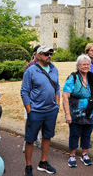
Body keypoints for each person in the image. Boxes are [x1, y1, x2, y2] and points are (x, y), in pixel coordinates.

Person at [21, 46, 60, 176]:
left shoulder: (54, 69)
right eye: (46, 54)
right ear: (38, 56)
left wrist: (57, 105)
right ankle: (28, 166)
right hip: (35, 112)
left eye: (51, 54)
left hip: (51, 111)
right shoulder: (31, 71)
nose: (49, 56)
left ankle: (43, 162)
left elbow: (57, 88)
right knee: (30, 139)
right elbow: (24, 91)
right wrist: (29, 110)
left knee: (47, 136)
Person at [62, 54, 93, 167]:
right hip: (76, 112)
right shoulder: (73, 77)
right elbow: (65, 96)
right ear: (78, 65)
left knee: (87, 133)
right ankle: (72, 155)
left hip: (91, 111)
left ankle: (84, 154)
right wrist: (67, 114)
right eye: (83, 64)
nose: (86, 66)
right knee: (75, 133)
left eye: (88, 64)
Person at [22, 45, 42, 152]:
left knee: (41, 121)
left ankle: (37, 139)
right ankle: (27, 141)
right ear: (35, 54)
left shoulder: (47, 66)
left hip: (42, 99)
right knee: (30, 120)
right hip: (31, 98)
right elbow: (25, 86)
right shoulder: (29, 66)